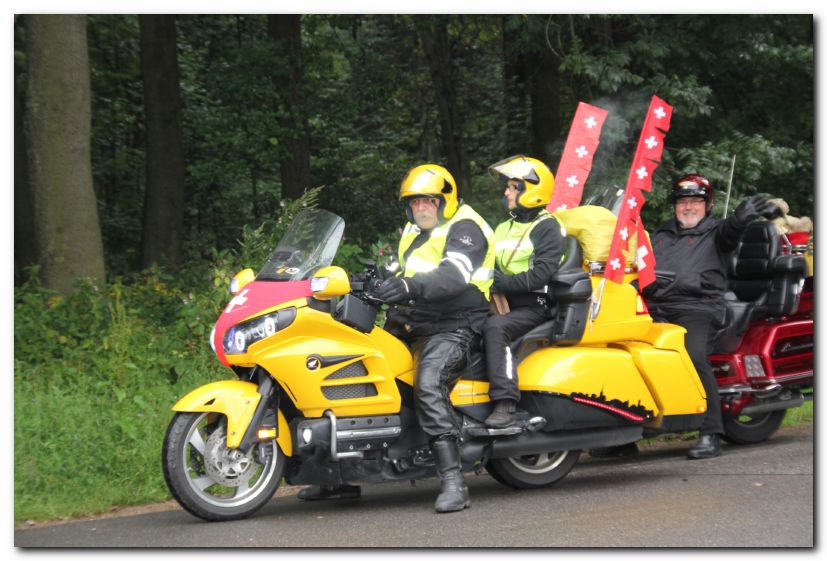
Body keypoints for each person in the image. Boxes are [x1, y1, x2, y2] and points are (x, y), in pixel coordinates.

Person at [300, 163, 496, 513]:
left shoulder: (467, 228)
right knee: (351, 369)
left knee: (429, 384)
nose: (421, 208)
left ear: (445, 201)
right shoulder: (414, 230)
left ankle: (454, 480)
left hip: (455, 324)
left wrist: (408, 287)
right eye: (414, 202)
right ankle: (338, 475)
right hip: (414, 321)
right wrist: (367, 283)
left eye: (428, 202)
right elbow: (405, 272)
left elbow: (452, 276)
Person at [642, 174, 778, 459]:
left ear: (708, 205)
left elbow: (731, 232)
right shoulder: (661, 234)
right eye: (682, 201)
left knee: (691, 356)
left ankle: (710, 433)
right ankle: (625, 431)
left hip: (698, 307)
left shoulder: (718, 232)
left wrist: (740, 219)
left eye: (695, 201)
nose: (688, 207)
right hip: (656, 306)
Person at [482, 156, 566, 428]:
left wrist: (500, 282)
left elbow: (541, 275)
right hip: (502, 300)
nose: (506, 192)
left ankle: (506, 403)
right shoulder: (504, 226)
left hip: (535, 305)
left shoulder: (548, 227)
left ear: (532, 190)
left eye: (513, 187)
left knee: (496, 328)